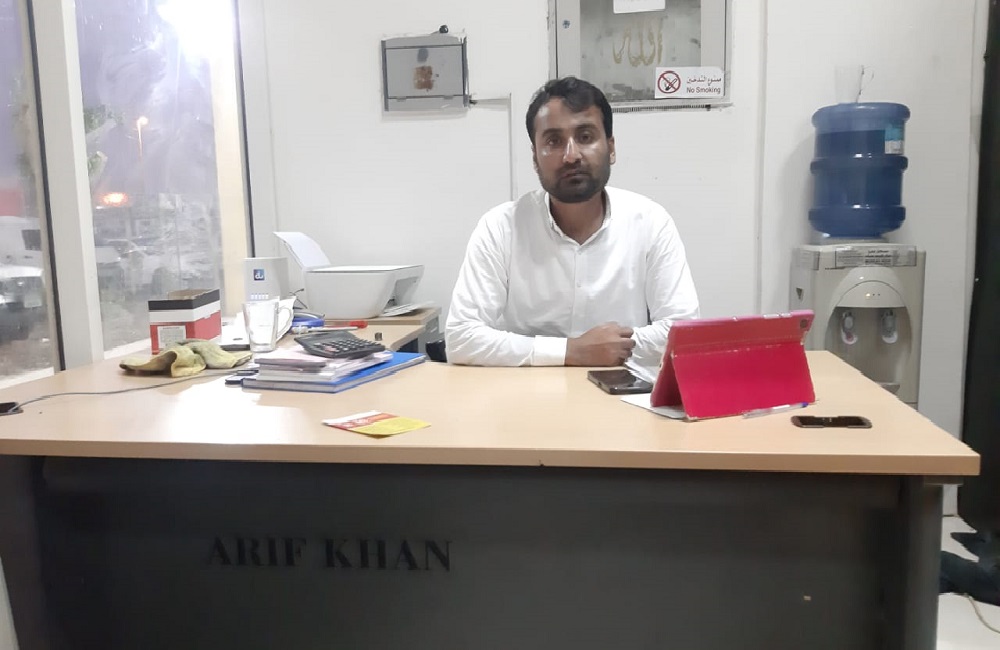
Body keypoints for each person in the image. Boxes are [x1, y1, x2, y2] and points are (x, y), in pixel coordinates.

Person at [445, 77, 699, 367]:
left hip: (624, 389)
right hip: (528, 390)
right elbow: (461, 338)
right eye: (553, 141)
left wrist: (608, 349)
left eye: (586, 137)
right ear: (535, 157)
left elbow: (683, 333)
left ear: (611, 148)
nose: (571, 155)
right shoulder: (501, 228)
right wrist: (571, 351)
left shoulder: (651, 223)